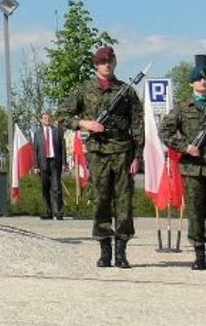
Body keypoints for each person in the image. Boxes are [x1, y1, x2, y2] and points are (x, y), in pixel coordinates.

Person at [56, 45, 144, 268]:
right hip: (97, 152)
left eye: (110, 61)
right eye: (102, 62)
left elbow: (137, 125)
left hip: (123, 151)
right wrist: (84, 123)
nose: (106, 65)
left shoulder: (126, 91)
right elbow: (62, 115)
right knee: (101, 200)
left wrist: (138, 156)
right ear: (96, 64)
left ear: (115, 63)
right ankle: (105, 249)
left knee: (124, 202)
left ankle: (121, 251)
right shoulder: (84, 90)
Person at [160, 66, 206, 271]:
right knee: (195, 211)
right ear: (191, 83)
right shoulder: (183, 108)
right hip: (192, 167)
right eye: (199, 79)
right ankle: (199, 253)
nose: (203, 82)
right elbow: (165, 131)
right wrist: (185, 147)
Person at [33, 110, 66, 220]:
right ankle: (47, 212)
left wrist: (64, 163)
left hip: (55, 161)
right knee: (45, 188)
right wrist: (36, 166)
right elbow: (35, 150)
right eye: (45, 118)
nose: (47, 120)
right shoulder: (37, 133)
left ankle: (59, 212)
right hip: (43, 163)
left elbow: (62, 148)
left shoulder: (57, 131)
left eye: (48, 118)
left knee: (57, 188)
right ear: (41, 120)